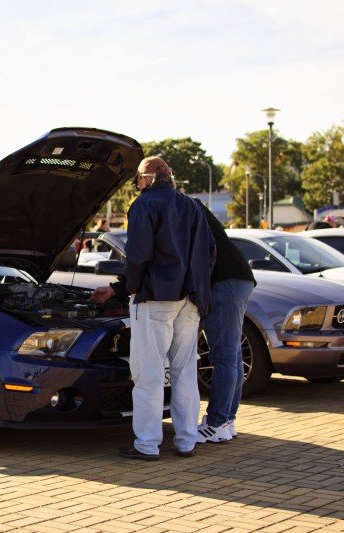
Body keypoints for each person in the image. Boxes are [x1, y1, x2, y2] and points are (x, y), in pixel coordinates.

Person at [91, 156, 215, 460]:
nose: (138, 184)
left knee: (148, 373)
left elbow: (138, 255)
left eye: (137, 180)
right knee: (186, 372)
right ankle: (187, 441)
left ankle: (147, 444)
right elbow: (210, 252)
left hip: (157, 299)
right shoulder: (193, 205)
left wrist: (127, 287)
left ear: (146, 178)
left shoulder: (144, 204)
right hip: (191, 301)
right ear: (169, 176)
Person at [194, 201, 256, 443]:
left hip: (225, 280)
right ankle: (227, 419)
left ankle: (217, 422)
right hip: (238, 277)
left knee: (224, 356)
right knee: (233, 355)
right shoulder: (197, 209)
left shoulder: (186, 212)